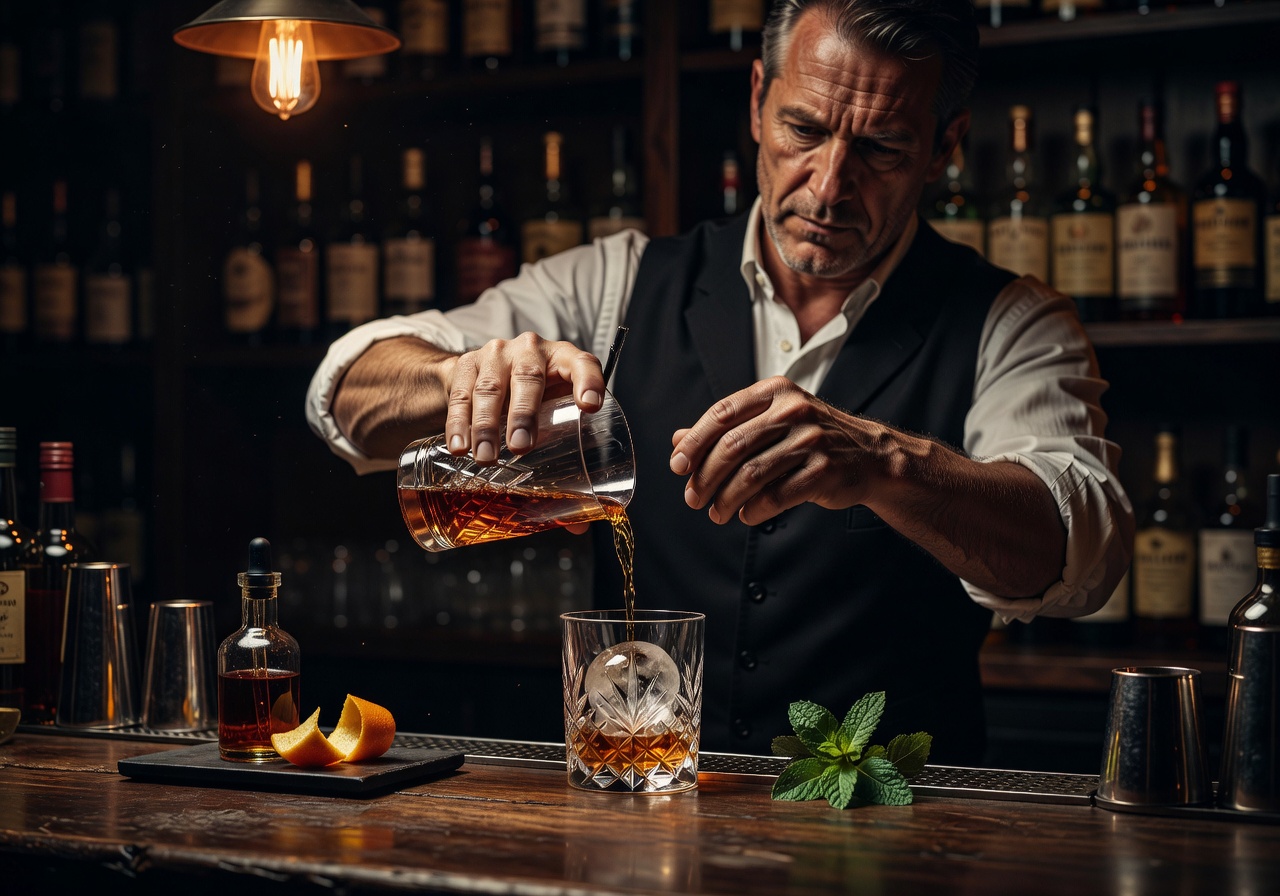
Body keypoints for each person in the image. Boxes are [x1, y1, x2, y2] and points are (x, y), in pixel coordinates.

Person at [306, 0, 1133, 764]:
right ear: (757, 102)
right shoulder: (617, 282)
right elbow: (346, 394)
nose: (830, 183)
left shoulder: (1011, 320)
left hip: (896, 832)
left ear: (945, 146)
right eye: (803, 129)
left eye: (880, 148)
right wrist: (462, 374)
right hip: (647, 811)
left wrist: (884, 465)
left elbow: (1081, 554)